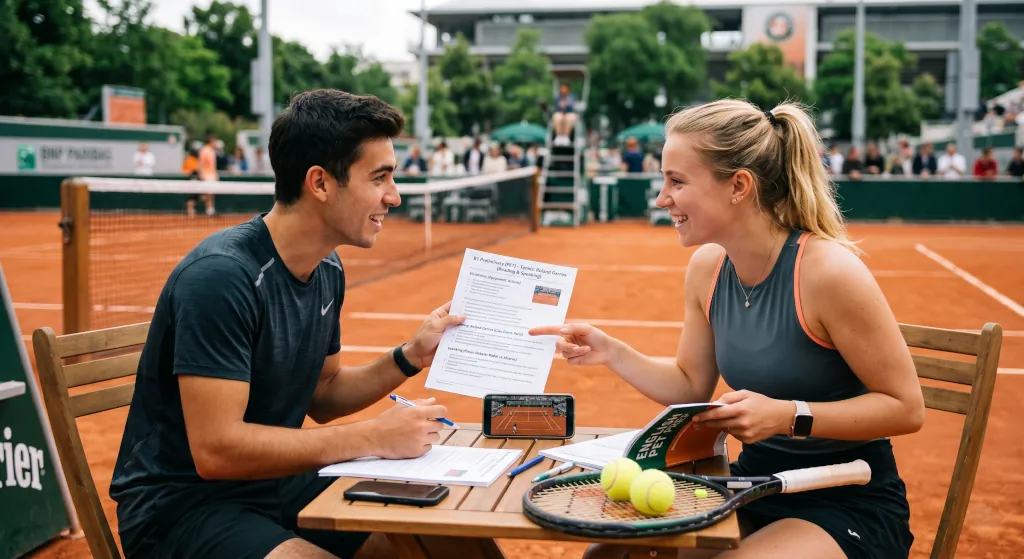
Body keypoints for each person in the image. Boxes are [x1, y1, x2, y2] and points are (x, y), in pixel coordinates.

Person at [530, 99, 924, 559]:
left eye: (676, 181)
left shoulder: (829, 272)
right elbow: (691, 382)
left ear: (739, 186)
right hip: (752, 490)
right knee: (609, 555)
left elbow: (906, 408)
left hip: (846, 501)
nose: (662, 198)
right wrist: (613, 351)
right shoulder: (707, 268)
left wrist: (787, 415)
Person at [109, 89, 465, 559]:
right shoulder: (221, 278)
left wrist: (409, 356)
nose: (393, 196)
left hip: (275, 486)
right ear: (319, 183)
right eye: (379, 178)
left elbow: (325, 392)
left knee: (444, 543)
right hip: (182, 507)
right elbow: (217, 450)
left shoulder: (327, 269)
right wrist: (369, 437)